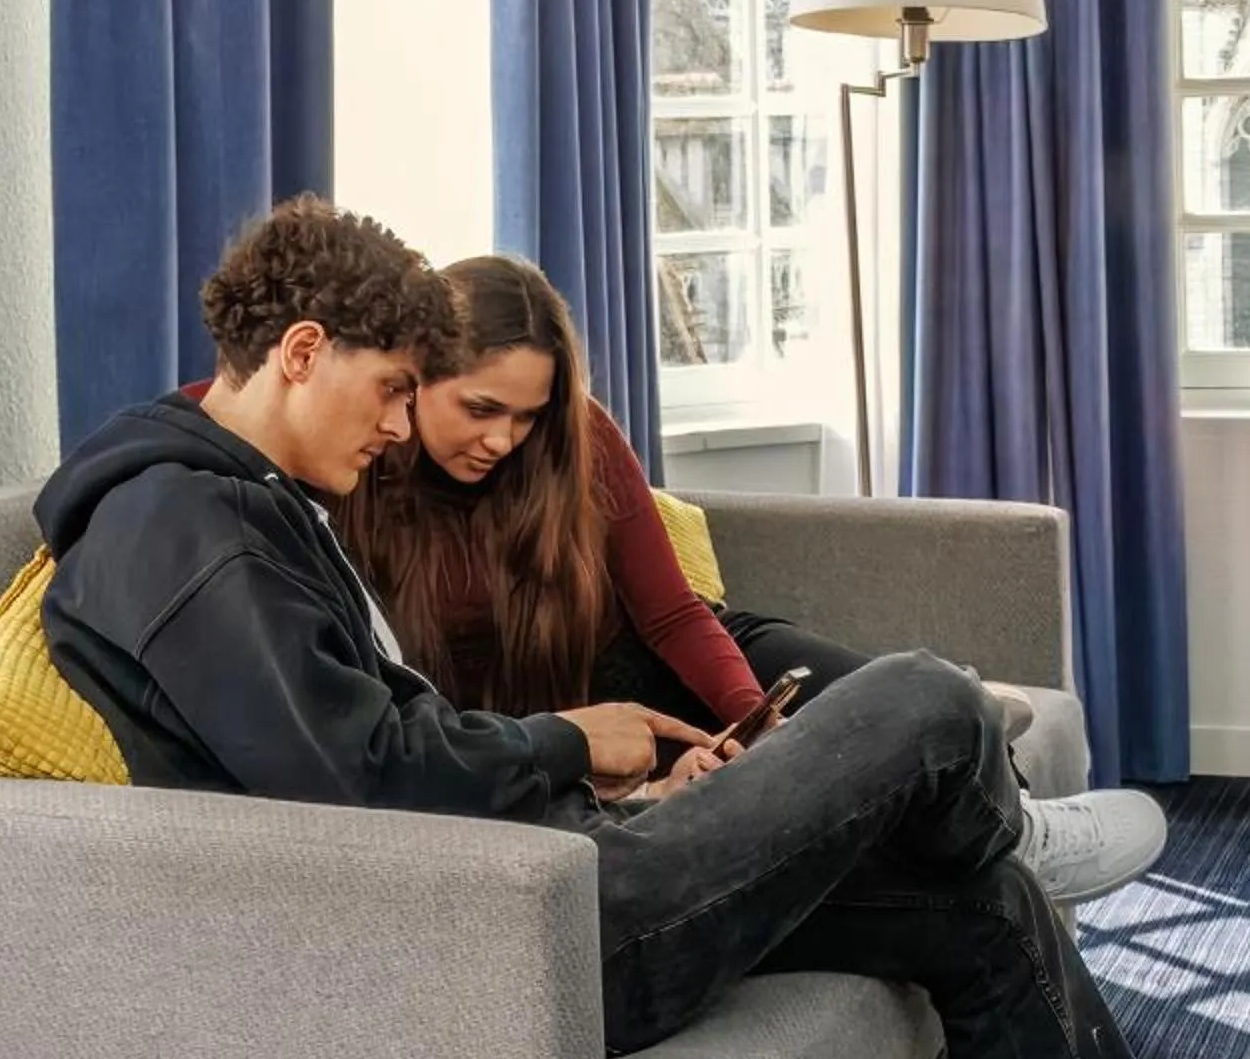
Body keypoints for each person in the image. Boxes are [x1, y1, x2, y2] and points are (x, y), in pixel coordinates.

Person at [39, 199, 1222, 1059]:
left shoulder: (256, 508)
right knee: (920, 696)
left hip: (561, 865)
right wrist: (569, 743)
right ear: (302, 353)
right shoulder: (186, 534)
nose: (401, 425)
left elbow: (392, 726)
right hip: (527, 934)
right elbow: (360, 780)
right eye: (396, 385)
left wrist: (620, 793)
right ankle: (1006, 820)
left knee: (984, 913)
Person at [328, 253, 883, 734]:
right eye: (480, 409)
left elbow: (672, 616)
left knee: (916, 699)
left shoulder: (575, 433)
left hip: (674, 665)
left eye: (527, 417)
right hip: (580, 723)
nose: (501, 440)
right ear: (414, 378)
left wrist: (753, 720)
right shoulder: (353, 467)